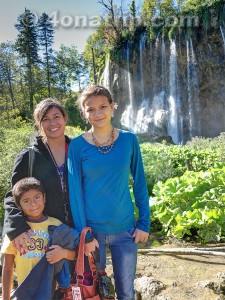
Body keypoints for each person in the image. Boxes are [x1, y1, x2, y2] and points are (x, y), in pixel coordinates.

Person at [68, 85, 150, 299]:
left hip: (126, 231)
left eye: (103, 106)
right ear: (84, 113)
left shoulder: (129, 140)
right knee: (95, 293)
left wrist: (144, 223)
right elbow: (75, 194)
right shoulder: (77, 146)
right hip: (92, 233)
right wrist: (83, 235)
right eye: (91, 109)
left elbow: (140, 182)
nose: (98, 113)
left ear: (113, 107)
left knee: (126, 292)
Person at [3, 98, 76, 299]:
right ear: (39, 124)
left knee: (74, 286)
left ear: (65, 119)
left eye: (56, 117)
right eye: (45, 119)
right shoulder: (30, 156)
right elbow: (12, 196)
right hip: (45, 234)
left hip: (72, 231)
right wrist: (17, 229)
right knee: (45, 288)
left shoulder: (78, 151)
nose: (52, 123)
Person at [2, 177, 78, 300]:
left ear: (44, 197)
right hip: (26, 293)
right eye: (26, 201)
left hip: (54, 292)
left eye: (37, 197)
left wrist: (63, 253)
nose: (33, 204)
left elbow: (75, 255)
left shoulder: (57, 225)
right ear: (18, 205)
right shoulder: (15, 232)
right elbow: (7, 268)